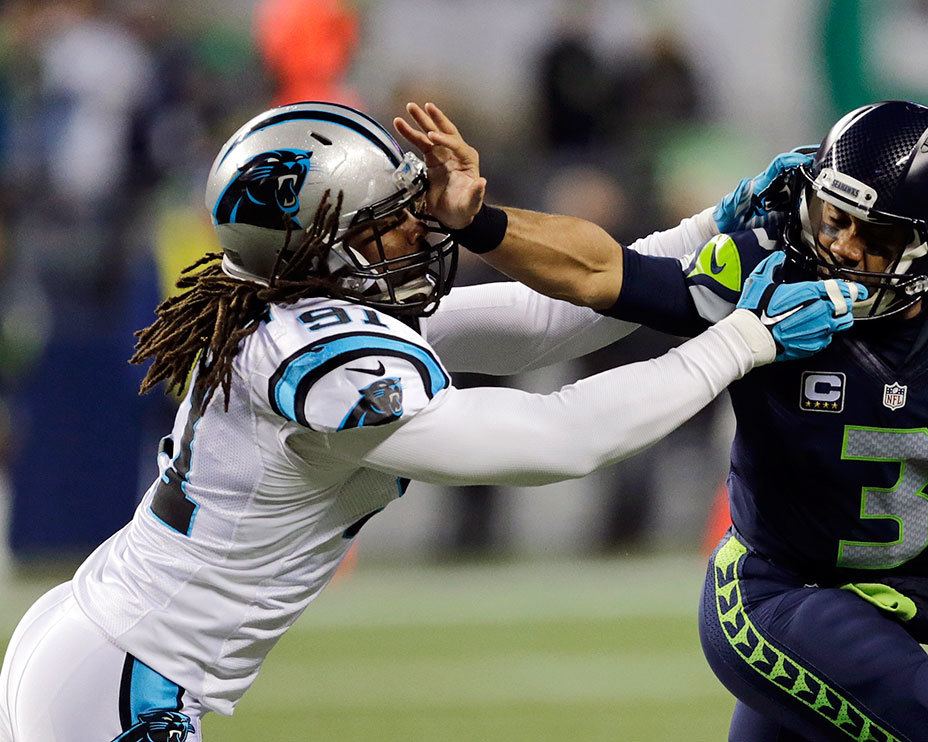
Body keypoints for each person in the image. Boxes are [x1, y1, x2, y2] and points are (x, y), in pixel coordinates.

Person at [0, 101, 863, 742]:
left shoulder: (304, 301)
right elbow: (561, 438)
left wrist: (717, 223)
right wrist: (744, 340)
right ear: (315, 246)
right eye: (385, 224)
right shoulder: (317, 354)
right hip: (121, 673)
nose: (415, 233)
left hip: (105, 640)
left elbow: (545, 323)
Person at [399, 100, 928, 741]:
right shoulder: (773, 271)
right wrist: (483, 223)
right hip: (773, 596)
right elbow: (602, 271)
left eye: (875, 235)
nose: (841, 244)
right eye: (834, 215)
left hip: (889, 598)